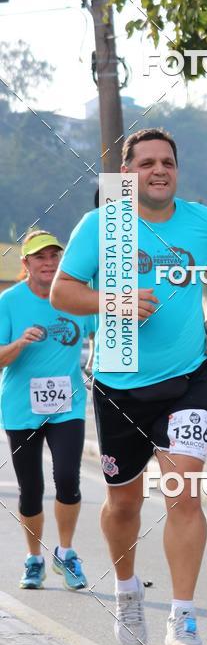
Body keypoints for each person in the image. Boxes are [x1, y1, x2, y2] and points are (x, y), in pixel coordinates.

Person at [51, 128, 207, 645]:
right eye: (147, 162)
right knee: (124, 502)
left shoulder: (205, 222)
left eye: (168, 162)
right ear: (126, 173)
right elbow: (64, 290)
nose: (159, 170)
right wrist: (115, 300)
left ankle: (184, 619)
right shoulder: (102, 225)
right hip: (118, 381)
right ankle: (127, 592)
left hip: (187, 380)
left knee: (184, 494)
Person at [0, 231, 93, 591]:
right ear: (26, 264)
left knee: (68, 477)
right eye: (40, 257)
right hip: (21, 407)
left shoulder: (73, 296)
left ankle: (66, 553)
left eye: (55, 256)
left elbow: (103, 326)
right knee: (30, 489)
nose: (49, 263)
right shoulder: (9, 302)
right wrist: (20, 343)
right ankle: (34, 558)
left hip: (66, 406)